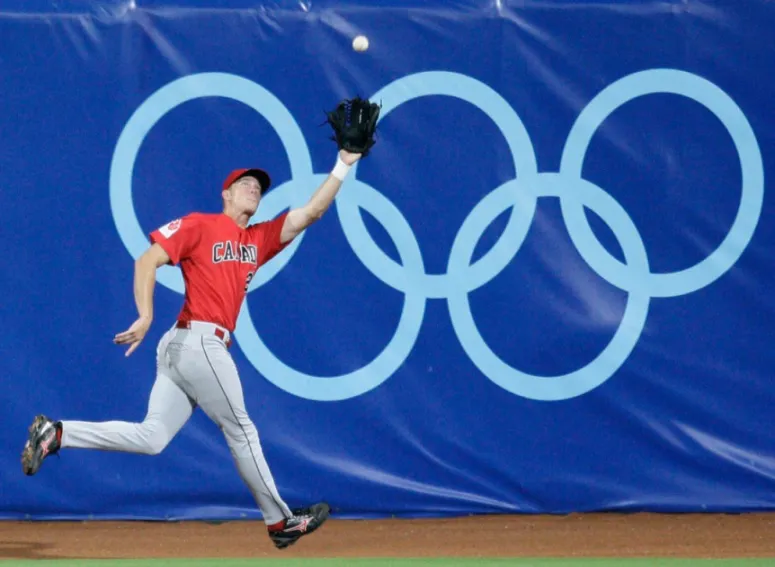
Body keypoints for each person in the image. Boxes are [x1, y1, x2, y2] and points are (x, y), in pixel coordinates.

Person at [21, 148, 362, 550]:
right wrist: (145, 315)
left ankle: (57, 433)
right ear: (226, 195)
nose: (254, 188)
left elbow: (311, 213)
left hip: (187, 347)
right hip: (197, 342)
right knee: (241, 428)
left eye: (258, 186)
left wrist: (345, 162)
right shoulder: (201, 225)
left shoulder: (258, 239)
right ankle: (280, 522)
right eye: (244, 184)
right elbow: (146, 261)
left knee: (152, 437)